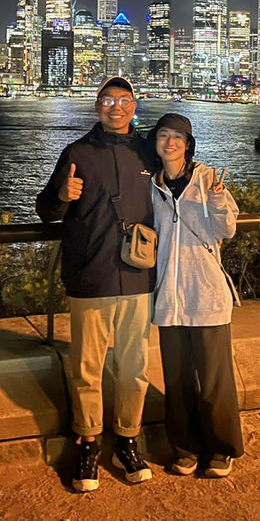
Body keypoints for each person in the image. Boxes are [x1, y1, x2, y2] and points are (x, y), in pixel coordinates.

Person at [36, 76, 155, 492]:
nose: (116, 107)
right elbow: (46, 210)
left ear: (134, 106)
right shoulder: (77, 152)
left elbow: (177, 188)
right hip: (91, 274)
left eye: (124, 100)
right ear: (97, 106)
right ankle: (88, 441)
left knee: (134, 368)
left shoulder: (148, 151)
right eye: (108, 100)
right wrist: (62, 195)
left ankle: (126, 439)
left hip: (139, 275)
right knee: (87, 367)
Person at [148, 113, 244, 478]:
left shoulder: (207, 180)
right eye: (163, 135)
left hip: (205, 293)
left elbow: (226, 230)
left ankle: (221, 448)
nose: (170, 142)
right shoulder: (152, 184)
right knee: (176, 379)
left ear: (188, 144)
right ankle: (185, 447)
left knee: (215, 379)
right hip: (169, 297)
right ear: (156, 142)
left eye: (178, 136)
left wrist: (217, 200)